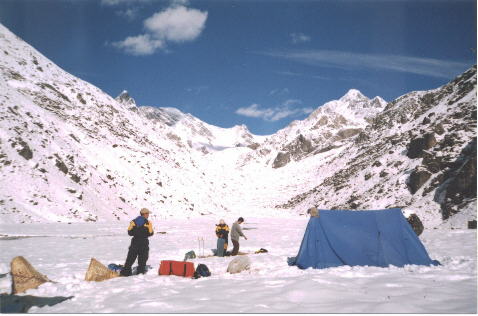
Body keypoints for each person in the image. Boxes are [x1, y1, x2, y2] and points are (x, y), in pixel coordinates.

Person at [120, 208, 154, 276]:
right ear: (144, 214)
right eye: (147, 214)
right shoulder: (148, 223)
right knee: (142, 261)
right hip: (144, 243)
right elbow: (151, 233)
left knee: (130, 259)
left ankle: (125, 273)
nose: (148, 215)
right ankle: (140, 274)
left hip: (134, 243)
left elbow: (130, 233)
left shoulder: (133, 222)